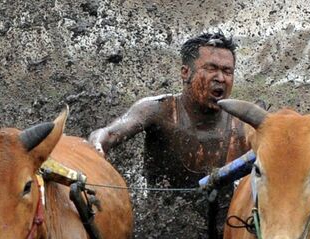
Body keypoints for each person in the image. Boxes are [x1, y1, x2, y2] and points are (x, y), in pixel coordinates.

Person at [88, 32, 250, 188]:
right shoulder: (158, 109)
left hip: (228, 216)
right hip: (158, 214)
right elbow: (108, 134)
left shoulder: (243, 127)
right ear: (185, 73)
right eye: (211, 68)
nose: (220, 78)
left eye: (227, 71)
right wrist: (97, 147)